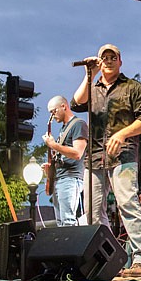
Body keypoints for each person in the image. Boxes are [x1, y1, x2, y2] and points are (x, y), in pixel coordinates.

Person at [71, 44, 141, 278]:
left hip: (123, 153)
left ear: (120, 61)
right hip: (95, 154)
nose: (107, 61)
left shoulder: (131, 88)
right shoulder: (93, 87)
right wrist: (90, 73)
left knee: (127, 203)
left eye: (112, 57)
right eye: (103, 57)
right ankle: (108, 258)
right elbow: (77, 102)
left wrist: (122, 133)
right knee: (92, 212)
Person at [42, 95, 88, 226]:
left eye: (53, 111)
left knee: (68, 220)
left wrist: (54, 145)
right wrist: (51, 167)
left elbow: (78, 153)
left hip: (70, 178)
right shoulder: (63, 129)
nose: (52, 116)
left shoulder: (78, 124)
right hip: (60, 178)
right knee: (60, 222)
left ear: (64, 106)